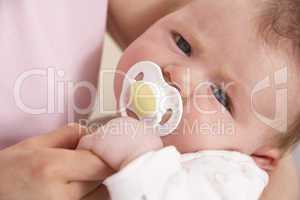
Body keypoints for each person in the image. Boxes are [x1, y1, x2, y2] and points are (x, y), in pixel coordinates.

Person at [0, 1, 298, 200]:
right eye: (182, 43)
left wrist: (134, 153)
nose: (178, 77)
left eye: (221, 96)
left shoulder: (227, 180)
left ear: (259, 160)